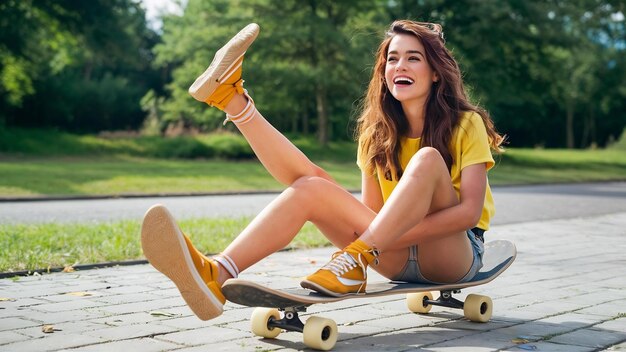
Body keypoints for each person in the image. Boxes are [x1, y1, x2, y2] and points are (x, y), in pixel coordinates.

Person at [141, 20, 505, 321]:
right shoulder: (376, 132)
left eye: (414, 58)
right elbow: (373, 217)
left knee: (426, 159)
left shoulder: (464, 124)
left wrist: (372, 245)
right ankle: (215, 272)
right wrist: (378, 241)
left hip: (452, 255)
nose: (400, 67)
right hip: (386, 254)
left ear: (436, 73)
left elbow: (468, 213)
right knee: (312, 186)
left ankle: (355, 261)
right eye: (392, 59)